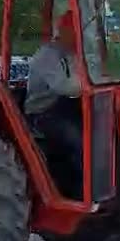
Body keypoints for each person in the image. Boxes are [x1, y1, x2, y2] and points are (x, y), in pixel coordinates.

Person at [24, 10, 83, 198]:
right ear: (65, 31)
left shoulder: (71, 53)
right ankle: (80, 193)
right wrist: (93, 82)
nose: (79, 38)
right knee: (79, 140)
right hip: (42, 112)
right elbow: (64, 86)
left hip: (65, 107)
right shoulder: (47, 55)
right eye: (76, 33)